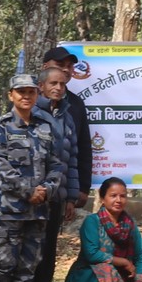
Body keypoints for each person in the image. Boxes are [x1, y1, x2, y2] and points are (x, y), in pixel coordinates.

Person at [0, 72, 62, 282]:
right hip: (8, 211)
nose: (26, 96)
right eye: (21, 92)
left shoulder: (45, 127)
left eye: (31, 92)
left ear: (37, 94)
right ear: (11, 95)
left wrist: (47, 190)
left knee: (27, 268)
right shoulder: (0, 127)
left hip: (37, 212)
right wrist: (28, 190)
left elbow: (56, 165)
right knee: (3, 266)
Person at [30, 63, 84, 282]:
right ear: (41, 86)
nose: (58, 88)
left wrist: (70, 197)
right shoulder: (31, 113)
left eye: (62, 84)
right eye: (53, 83)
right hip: (32, 198)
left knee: (49, 255)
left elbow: (70, 161)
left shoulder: (67, 117)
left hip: (56, 198)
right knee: (30, 253)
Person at [65, 178, 142, 282]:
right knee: (105, 268)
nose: (118, 200)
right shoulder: (92, 221)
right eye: (113, 195)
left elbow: (140, 255)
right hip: (88, 280)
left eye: (123, 196)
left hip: (119, 281)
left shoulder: (130, 225)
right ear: (103, 198)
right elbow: (92, 254)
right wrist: (123, 262)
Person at [41, 46, 95, 210]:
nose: (65, 69)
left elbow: (82, 148)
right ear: (45, 66)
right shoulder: (27, 98)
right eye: (60, 64)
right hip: (31, 189)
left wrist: (83, 188)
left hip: (60, 191)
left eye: (69, 66)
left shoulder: (75, 104)